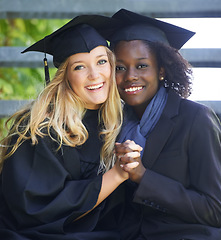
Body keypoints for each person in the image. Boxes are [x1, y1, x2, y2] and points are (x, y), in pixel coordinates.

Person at [0, 14, 141, 240]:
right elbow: (35, 208)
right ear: (65, 76)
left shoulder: (123, 120)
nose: (95, 75)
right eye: (79, 67)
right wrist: (117, 174)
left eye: (101, 61)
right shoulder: (40, 127)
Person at [109, 9, 221, 240]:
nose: (130, 76)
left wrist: (142, 176)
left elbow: (215, 210)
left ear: (161, 70)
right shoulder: (110, 124)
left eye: (142, 66)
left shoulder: (196, 119)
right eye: (120, 67)